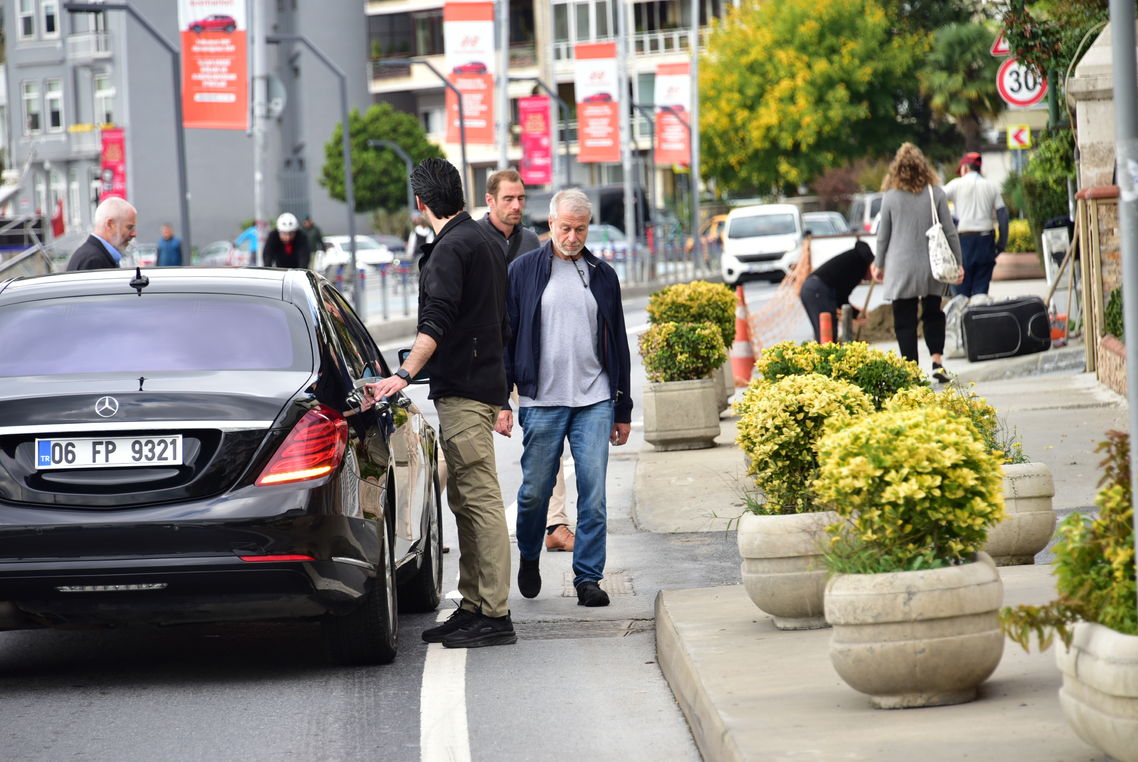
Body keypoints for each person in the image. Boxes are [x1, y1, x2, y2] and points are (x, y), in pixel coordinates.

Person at [365, 157, 515, 649]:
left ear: (420, 203)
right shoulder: (482, 241)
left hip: (467, 390)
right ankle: (473, 605)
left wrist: (403, 373)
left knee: (480, 501)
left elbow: (437, 321)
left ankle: (493, 613)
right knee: (466, 502)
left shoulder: (452, 248)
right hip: (478, 384)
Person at [498, 188, 633, 608]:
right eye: (565, 228)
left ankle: (588, 578)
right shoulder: (522, 272)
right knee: (535, 491)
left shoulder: (603, 275)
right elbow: (506, 338)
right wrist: (503, 399)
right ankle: (529, 553)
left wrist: (622, 407)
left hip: (594, 399)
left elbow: (620, 344)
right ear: (550, 224)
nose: (573, 236)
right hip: (542, 400)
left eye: (580, 229)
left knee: (593, 493)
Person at [480, 169, 575, 552]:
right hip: (478, 363)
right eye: (509, 199)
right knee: (452, 457)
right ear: (490, 201)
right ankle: (420, 528)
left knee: (547, 441)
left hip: (521, 360)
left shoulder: (531, 242)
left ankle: (555, 523)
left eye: (521, 198)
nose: (517, 205)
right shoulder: (472, 241)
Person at [872, 142, 963, 384]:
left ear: (897, 169)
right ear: (924, 167)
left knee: (904, 320)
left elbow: (884, 235)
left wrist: (878, 264)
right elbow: (950, 231)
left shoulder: (890, 197)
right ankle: (937, 362)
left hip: (900, 268)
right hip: (932, 266)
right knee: (933, 313)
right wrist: (958, 263)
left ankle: (911, 372)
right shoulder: (936, 193)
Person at [944, 152, 1009, 301]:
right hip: (985, 241)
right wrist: (1001, 244)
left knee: (960, 294)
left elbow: (935, 201)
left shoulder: (956, 184)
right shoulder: (991, 186)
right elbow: (1003, 216)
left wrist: (949, 224)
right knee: (981, 293)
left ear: (965, 167)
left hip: (963, 242)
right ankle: (979, 321)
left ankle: (961, 323)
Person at [799, 239, 875, 342]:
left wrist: (857, 314)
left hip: (814, 289)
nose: (871, 279)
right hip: (818, 289)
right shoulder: (859, 260)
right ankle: (827, 356)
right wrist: (873, 261)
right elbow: (861, 245)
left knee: (827, 332)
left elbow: (841, 299)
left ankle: (827, 354)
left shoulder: (855, 275)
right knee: (826, 331)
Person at [66, 197, 137, 271]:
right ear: (110, 224)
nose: (134, 234)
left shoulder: (93, 256)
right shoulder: (93, 261)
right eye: (129, 227)